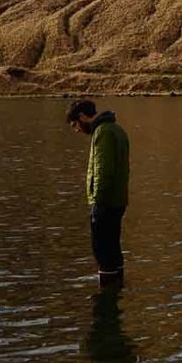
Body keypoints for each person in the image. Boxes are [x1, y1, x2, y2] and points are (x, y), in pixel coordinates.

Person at [66, 99, 130, 281]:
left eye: (75, 125)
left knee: (103, 252)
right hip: (117, 200)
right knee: (114, 251)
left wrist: (97, 204)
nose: (77, 130)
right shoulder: (116, 130)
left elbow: (104, 171)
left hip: (106, 203)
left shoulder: (103, 132)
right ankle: (116, 287)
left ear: (82, 116)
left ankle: (107, 295)